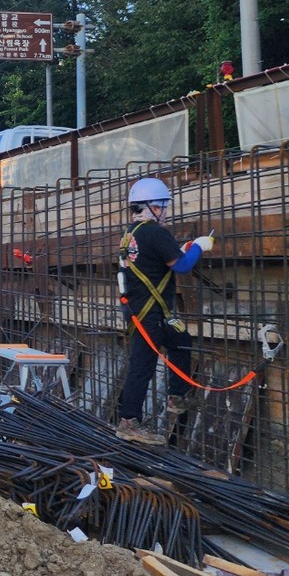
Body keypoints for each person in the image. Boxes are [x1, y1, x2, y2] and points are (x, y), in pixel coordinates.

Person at [115, 177, 214, 445]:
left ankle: (177, 396)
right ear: (152, 206)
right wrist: (198, 248)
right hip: (150, 314)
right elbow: (181, 267)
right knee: (142, 364)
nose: (166, 211)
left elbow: (159, 260)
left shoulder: (132, 233)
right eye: (163, 206)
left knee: (180, 340)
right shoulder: (155, 232)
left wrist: (181, 251)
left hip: (142, 311)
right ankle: (128, 422)